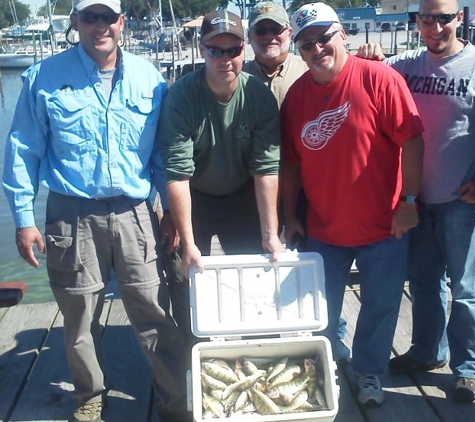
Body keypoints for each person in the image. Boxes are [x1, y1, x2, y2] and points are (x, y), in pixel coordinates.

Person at [1, 0, 190, 421]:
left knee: (153, 310)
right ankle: (89, 399)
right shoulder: (42, 78)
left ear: (122, 22)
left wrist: (174, 212)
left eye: (108, 17)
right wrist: (24, 218)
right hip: (71, 214)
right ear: (76, 22)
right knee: (79, 317)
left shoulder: (150, 77)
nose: (100, 26)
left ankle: (177, 401)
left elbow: (163, 153)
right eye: (90, 17)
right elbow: (22, 151)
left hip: (136, 211)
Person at [280, 2, 424, 406]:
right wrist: (290, 215)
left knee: (380, 307)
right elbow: (290, 162)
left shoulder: (380, 77)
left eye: (324, 37)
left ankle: (370, 372)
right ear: (299, 50)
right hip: (323, 229)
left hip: (384, 227)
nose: (317, 48)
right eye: (307, 44)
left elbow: (413, 140)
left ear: (343, 34)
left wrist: (409, 201)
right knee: (319, 311)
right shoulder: (295, 97)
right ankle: (325, 364)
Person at [384, 0, 475, 403]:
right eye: (426, 18)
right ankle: (427, 351)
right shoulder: (407, 64)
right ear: (417, 21)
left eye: (443, 18)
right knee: (422, 283)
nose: (434, 26)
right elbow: (366, 71)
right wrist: (366, 54)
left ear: (460, 19)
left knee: (466, 289)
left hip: (462, 200)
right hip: (417, 198)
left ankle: (470, 366)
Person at [156, 10, 283, 277]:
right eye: (215, 51)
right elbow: (177, 175)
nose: (225, 59)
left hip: (241, 194)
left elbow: (266, 169)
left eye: (233, 51)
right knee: (182, 271)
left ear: (243, 49)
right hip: (194, 195)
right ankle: (187, 318)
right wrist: (189, 244)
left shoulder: (259, 97)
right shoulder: (180, 97)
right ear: (202, 49)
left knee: (256, 270)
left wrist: (270, 234)